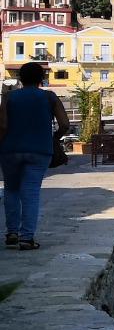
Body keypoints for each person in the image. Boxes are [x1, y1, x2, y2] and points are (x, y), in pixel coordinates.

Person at [0, 63, 71, 250]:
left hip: (10, 150)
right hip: (40, 151)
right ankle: (27, 238)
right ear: (42, 78)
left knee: (11, 190)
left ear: (20, 78)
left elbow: (3, 126)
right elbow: (64, 124)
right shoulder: (49, 97)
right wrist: (53, 138)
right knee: (30, 192)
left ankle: (12, 232)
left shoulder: (9, 97)